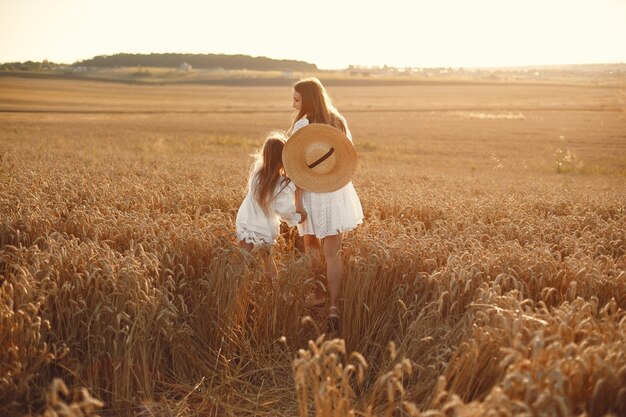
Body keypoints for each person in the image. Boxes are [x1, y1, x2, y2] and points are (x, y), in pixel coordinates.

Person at [288, 77, 364, 329]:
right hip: (335, 190)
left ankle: (318, 297)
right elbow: (346, 156)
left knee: (311, 246)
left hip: (310, 190)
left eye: (297, 99)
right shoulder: (338, 122)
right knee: (333, 254)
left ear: (307, 99)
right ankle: (334, 306)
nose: (293, 103)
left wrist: (297, 202)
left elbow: (295, 169)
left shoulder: (302, 124)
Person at [235, 131, 306, 281]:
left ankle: (237, 290)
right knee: (267, 259)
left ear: (264, 155)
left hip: (246, 220)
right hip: (263, 227)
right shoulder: (280, 184)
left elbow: (265, 163)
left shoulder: (256, 174)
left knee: (243, 260)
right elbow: (284, 209)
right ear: (282, 159)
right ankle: (273, 289)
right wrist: (298, 216)